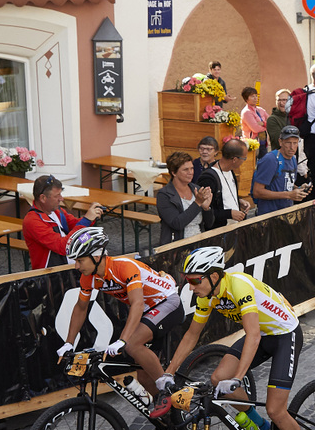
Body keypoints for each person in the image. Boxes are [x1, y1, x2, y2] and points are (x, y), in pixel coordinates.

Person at [164, 246, 315, 430]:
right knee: (217, 378)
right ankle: (258, 426)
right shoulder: (207, 295)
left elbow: (254, 335)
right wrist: (169, 372)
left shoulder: (239, 286)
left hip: (284, 335)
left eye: (194, 280)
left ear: (214, 276)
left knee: (276, 409)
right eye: (187, 281)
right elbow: (191, 335)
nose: (190, 286)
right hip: (262, 335)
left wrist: (239, 377)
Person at [55, 229, 182, 400]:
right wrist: (69, 343)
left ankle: (168, 389)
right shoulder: (89, 277)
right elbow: (81, 308)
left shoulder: (123, 266)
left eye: (80, 260)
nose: (77, 266)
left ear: (97, 256)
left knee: (131, 344)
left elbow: (137, 303)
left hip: (167, 302)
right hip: (148, 311)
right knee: (144, 377)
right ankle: (170, 419)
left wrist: (122, 339)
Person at [21, 175, 104, 270]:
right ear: (43, 198)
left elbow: (74, 224)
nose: (62, 199)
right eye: (57, 196)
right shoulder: (32, 221)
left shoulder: (56, 211)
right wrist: (86, 220)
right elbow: (63, 247)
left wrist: (92, 216)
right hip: (50, 275)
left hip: (71, 268)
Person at [195, 139, 251, 229]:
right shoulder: (209, 178)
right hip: (219, 231)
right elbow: (204, 210)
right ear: (235, 159)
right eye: (244, 158)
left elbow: (224, 197)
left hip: (234, 228)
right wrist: (229, 214)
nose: (244, 161)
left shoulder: (230, 171)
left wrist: (238, 201)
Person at [156, 152, 211, 241]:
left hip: (199, 241)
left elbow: (209, 224)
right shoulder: (164, 195)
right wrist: (197, 203)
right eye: (186, 170)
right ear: (174, 173)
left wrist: (207, 209)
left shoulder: (196, 189)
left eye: (192, 168)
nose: (191, 172)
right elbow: (177, 224)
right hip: (177, 245)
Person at [252, 126, 306, 214]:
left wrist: (299, 189)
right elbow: (257, 192)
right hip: (269, 215)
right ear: (280, 142)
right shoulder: (271, 160)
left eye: (295, 143)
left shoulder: (292, 159)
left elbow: (285, 184)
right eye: (288, 143)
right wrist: (289, 195)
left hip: (286, 212)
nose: (292, 147)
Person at [239, 86, 268, 157]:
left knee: (263, 161)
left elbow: (270, 122)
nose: (255, 98)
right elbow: (255, 129)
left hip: (263, 140)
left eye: (256, 96)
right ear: (246, 99)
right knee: (254, 163)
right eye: (252, 96)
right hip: (252, 142)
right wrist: (266, 126)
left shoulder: (260, 110)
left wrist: (263, 123)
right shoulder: (246, 112)